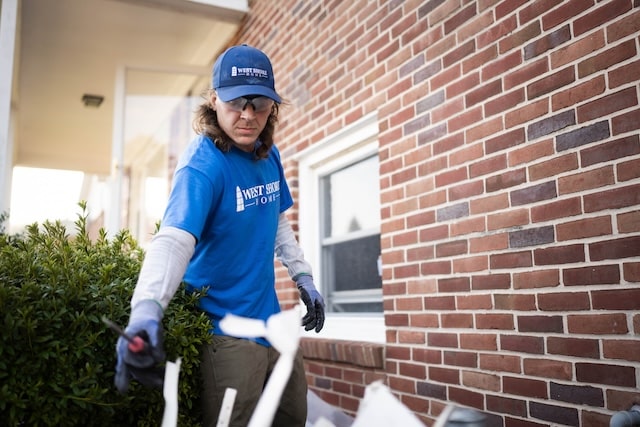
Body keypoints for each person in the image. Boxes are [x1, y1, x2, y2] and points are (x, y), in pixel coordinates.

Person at [114, 44, 325, 427]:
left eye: (258, 103)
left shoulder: (267, 154)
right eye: (235, 102)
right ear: (213, 100)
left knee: (294, 417)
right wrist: (146, 310)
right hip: (225, 333)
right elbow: (174, 241)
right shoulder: (202, 164)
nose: (247, 115)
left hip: (272, 324)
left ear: (271, 106)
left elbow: (276, 221)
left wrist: (304, 276)